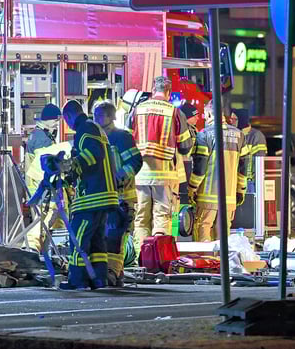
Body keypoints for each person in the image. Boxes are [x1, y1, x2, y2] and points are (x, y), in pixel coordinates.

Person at [59, 100, 118, 289]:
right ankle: (98, 279)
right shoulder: (94, 128)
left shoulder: (85, 129)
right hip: (104, 194)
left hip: (93, 196)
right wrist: (69, 177)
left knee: (79, 236)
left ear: (68, 117)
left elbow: (92, 155)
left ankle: (77, 280)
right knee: (96, 241)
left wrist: (70, 164)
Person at [131, 77, 194, 245]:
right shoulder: (174, 112)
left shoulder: (138, 109)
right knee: (162, 218)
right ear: (168, 92)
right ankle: (157, 260)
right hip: (164, 176)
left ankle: (141, 259)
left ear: (153, 90)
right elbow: (185, 147)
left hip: (139, 175)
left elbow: (128, 140)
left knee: (141, 218)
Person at [93, 101, 142, 287]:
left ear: (111, 117)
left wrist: (120, 177)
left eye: (100, 115)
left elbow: (136, 161)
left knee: (115, 236)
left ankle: (112, 272)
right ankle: (114, 273)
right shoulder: (96, 137)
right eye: (95, 115)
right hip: (104, 196)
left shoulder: (121, 137)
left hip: (122, 197)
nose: (96, 119)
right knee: (105, 236)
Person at [189, 101, 248, 241]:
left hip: (207, 197)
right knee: (223, 235)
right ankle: (221, 262)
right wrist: (241, 190)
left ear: (209, 113)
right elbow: (244, 168)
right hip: (229, 198)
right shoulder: (239, 135)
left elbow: (200, 167)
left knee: (203, 229)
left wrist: (192, 188)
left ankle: (205, 262)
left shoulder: (204, 135)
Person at [24, 104, 66, 251]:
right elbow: (46, 164)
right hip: (42, 184)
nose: (57, 123)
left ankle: (43, 251)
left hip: (36, 183)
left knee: (47, 219)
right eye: (55, 120)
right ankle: (32, 248)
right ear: (47, 120)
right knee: (44, 218)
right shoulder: (42, 139)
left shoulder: (39, 134)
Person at [234, 108, 267, 187]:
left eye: (234, 119)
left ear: (241, 120)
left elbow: (259, 163)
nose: (231, 121)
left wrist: (255, 183)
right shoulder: (235, 135)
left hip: (249, 183)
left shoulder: (256, 136)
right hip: (236, 180)